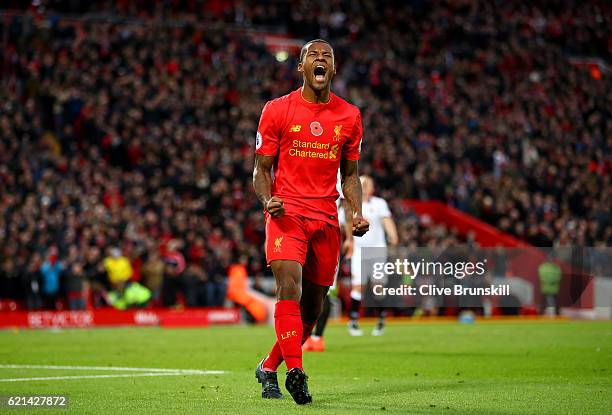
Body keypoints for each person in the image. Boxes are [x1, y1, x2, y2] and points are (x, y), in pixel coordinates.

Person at [252, 39, 369, 405]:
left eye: (327, 57)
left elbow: (350, 175)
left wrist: (356, 212)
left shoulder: (349, 116)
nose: (320, 60)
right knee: (290, 285)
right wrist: (266, 198)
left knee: (314, 308)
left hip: (325, 219)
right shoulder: (277, 110)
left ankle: (269, 366)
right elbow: (261, 169)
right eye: (312, 56)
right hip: (286, 214)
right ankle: (296, 371)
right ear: (301, 67)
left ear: (332, 70)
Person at [347, 176, 398, 336]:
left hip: (377, 250)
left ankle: (381, 319)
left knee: (378, 287)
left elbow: (387, 221)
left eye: (368, 183)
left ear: (372, 188)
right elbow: (347, 223)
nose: (365, 186)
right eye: (362, 184)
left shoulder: (379, 203)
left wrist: (393, 236)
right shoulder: (352, 204)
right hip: (360, 250)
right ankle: (353, 321)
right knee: (358, 286)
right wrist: (349, 241)